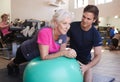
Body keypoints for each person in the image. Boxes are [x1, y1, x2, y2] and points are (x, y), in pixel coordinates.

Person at [7, 9, 77, 76]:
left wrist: (68, 51)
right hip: (26, 52)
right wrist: (63, 52)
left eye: (69, 24)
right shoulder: (45, 32)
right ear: (56, 23)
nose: (68, 27)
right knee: (16, 63)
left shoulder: (63, 35)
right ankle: (11, 63)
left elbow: (61, 53)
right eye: (64, 23)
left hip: (39, 58)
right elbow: (44, 57)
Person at [67, 5, 102, 82]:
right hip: (70, 58)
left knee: (88, 76)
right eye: (83, 16)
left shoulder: (96, 34)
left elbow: (98, 55)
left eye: (88, 19)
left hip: (85, 61)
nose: (84, 20)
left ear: (94, 20)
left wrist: (87, 67)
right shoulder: (72, 26)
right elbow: (63, 43)